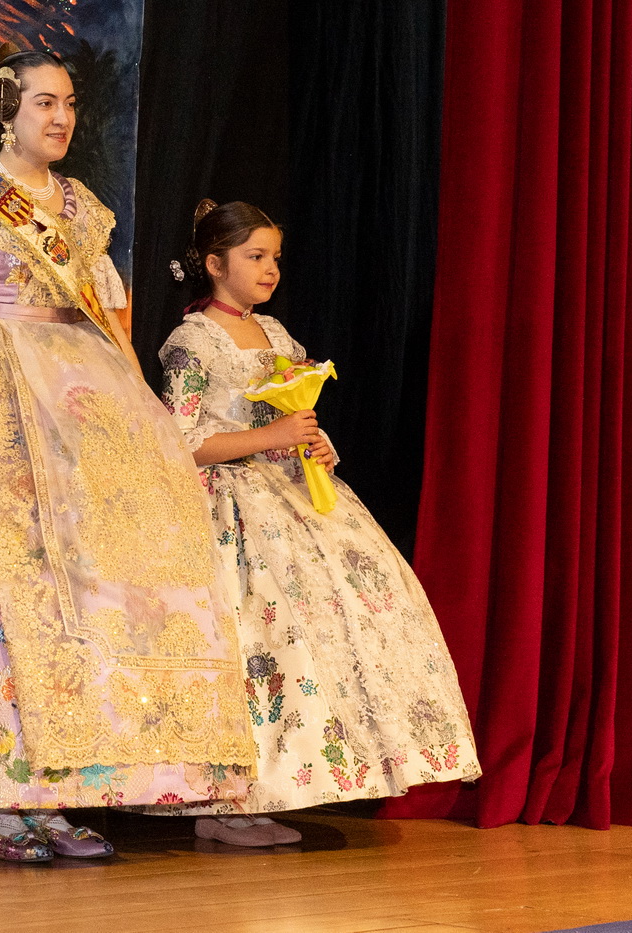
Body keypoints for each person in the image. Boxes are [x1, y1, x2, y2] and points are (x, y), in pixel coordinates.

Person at [0, 47, 258, 862]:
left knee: (82, 600)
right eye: (44, 101)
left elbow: (111, 326)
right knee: (0, 597)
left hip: (82, 407)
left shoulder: (83, 208)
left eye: (69, 102)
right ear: (7, 108)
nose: (61, 116)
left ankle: (58, 790)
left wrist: (143, 418)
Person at [153, 200, 482, 845]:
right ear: (215, 264)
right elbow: (180, 440)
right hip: (230, 504)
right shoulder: (193, 342)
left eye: (275, 257)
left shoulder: (278, 336)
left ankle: (274, 789)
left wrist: (311, 441)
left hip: (289, 491)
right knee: (254, 637)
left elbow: (291, 416)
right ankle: (223, 804)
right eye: (255, 256)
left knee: (334, 623)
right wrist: (270, 435)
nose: (270, 269)